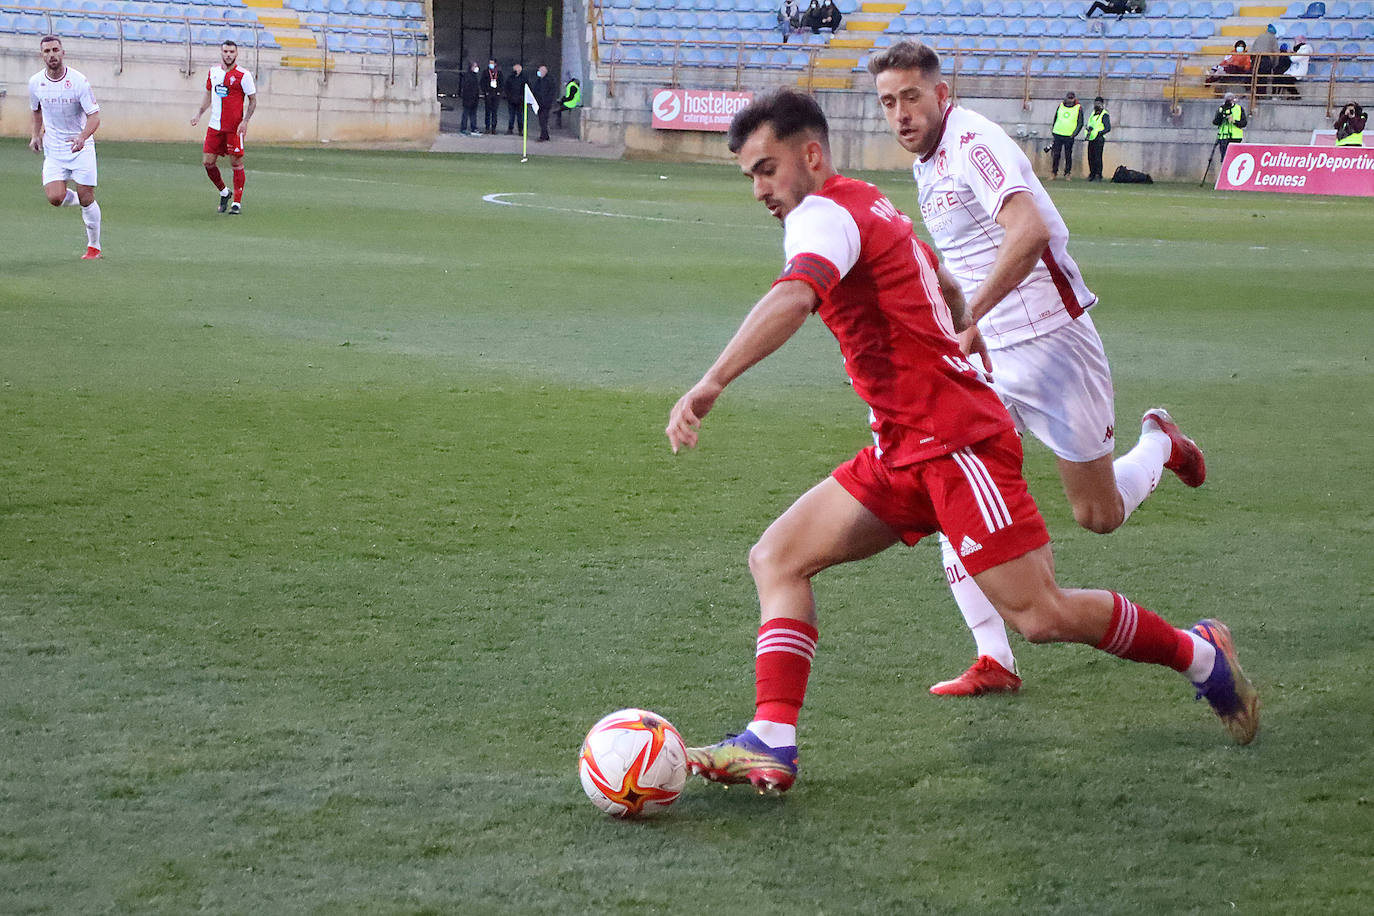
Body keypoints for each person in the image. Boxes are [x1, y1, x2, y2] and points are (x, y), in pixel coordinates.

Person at [667, 88, 1258, 793]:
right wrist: (948, 331)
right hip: (902, 447)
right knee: (777, 558)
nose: (759, 189)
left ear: (811, 155)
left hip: (955, 445)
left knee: (1041, 615)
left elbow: (796, 296)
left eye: (767, 170)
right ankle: (772, 739)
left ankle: (1200, 655)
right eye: (750, 176)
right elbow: (941, 278)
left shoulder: (821, 215)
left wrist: (712, 381)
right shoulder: (868, 203)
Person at [868, 40, 1207, 695]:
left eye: (911, 97)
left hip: (1052, 342)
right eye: (888, 102)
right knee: (953, 484)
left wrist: (971, 317)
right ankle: (994, 657)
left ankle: (1160, 443)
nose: (901, 114)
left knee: (1098, 514)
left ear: (941, 94)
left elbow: (1030, 232)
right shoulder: (926, 161)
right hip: (986, 358)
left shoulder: (973, 143)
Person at [28, 35, 102, 259]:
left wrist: (82, 137)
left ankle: (94, 246)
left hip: (81, 146)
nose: (51, 55)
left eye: (55, 50)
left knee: (87, 199)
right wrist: (35, 135)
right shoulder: (35, 82)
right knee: (55, 198)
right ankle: (82, 198)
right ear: (42, 55)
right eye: (47, 51)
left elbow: (94, 116)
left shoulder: (79, 81)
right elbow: (36, 110)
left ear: (63, 53)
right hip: (55, 149)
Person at [191, 40, 257, 215]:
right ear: (221, 52)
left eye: (231, 52)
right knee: (208, 162)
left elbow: (253, 100)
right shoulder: (213, 72)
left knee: (235, 162)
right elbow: (208, 94)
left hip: (234, 128)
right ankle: (224, 192)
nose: (228, 55)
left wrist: (245, 121)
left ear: (236, 53)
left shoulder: (244, 75)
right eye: (226, 51)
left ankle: (236, 203)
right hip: (214, 126)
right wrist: (199, 114)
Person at [1049, 90, 1083, 180]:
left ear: (1074, 98)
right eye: (1069, 98)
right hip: (1058, 133)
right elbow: (1056, 118)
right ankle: (1054, 172)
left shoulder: (1078, 108)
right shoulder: (1060, 106)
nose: (1070, 100)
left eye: (1072, 98)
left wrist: (1074, 134)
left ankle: (1067, 173)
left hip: (1069, 135)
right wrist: (1053, 129)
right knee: (1056, 154)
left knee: (1068, 155)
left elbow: (1080, 122)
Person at [1213, 92, 1246, 159]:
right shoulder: (1221, 108)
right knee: (1224, 157)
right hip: (1223, 136)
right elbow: (1215, 122)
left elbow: (1244, 123)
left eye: (1230, 100)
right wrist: (1221, 116)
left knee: (1234, 157)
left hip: (1236, 137)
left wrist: (1234, 121)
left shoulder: (1239, 108)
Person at [1085, 95, 1111, 181]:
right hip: (1091, 138)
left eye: (1099, 103)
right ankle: (1092, 174)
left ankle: (1098, 175)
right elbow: (1090, 124)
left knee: (1097, 157)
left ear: (1102, 104)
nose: (1097, 105)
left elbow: (1108, 128)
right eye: (1096, 103)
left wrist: (1099, 133)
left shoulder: (1104, 114)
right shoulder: (1093, 114)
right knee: (1090, 157)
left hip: (1099, 139)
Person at [529, 64, 555, 141]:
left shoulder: (549, 80)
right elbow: (535, 90)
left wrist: (547, 101)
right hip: (539, 103)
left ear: (544, 72)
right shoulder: (538, 80)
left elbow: (551, 92)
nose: (538, 72)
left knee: (543, 120)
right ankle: (546, 135)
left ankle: (543, 136)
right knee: (541, 120)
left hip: (545, 104)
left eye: (540, 71)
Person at [458, 61, 481, 136]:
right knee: (466, 114)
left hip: (474, 99)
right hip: (468, 99)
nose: (476, 68)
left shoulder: (474, 76)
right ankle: (463, 128)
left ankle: (473, 127)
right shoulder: (468, 76)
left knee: (473, 114)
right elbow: (466, 88)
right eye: (475, 66)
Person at [503, 62, 526, 135]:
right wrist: (508, 96)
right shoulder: (510, 78)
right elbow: (506, 87)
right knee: (511, 116)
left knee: (520, 117)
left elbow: (527, 88)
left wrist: (522, 97)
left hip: (520, 101)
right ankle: (510, 129)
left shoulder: (524, 78)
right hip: (511, 100)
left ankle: (520, 130)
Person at [482, 59, 503, 135]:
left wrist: (499, 92)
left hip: (496, 94)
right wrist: (485, 91)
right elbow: (482, 82)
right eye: (490, 63)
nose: (491, 64)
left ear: (495, 64)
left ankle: (494, 128)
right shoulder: (485, 72)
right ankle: (487, 127)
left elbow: (501, 83)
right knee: (488, 111)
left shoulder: (499, 73)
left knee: (494, 112)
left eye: (492, 63)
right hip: (488, 94)